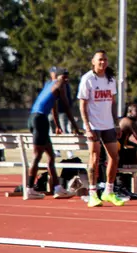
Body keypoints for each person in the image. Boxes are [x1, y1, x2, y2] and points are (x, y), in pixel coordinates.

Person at [77, 50, 125, 208]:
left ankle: (108, 191)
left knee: (114, 157)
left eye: (105, 59)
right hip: (93, 126)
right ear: (93, 61)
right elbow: (82, 105)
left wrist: (116, 123)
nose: (102, 62)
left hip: (108, 125)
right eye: (99, 60)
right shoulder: (87, 79)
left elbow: (112, 102)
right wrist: (87, 127)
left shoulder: (110, 79)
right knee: (94, 158)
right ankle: (92, 194)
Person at [25, 67, 80, 200]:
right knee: (37, 156)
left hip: (34, 118)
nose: (66, 79)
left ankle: (58, 188)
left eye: (67, 76)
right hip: (40, 120)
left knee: (50, 156)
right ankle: (29, 189)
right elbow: (66, 107)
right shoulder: (59, 84)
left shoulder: (49, 85)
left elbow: (54, 109)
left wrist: (57, 126)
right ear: (57, 76)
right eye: (63, 76)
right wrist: (76, 127)